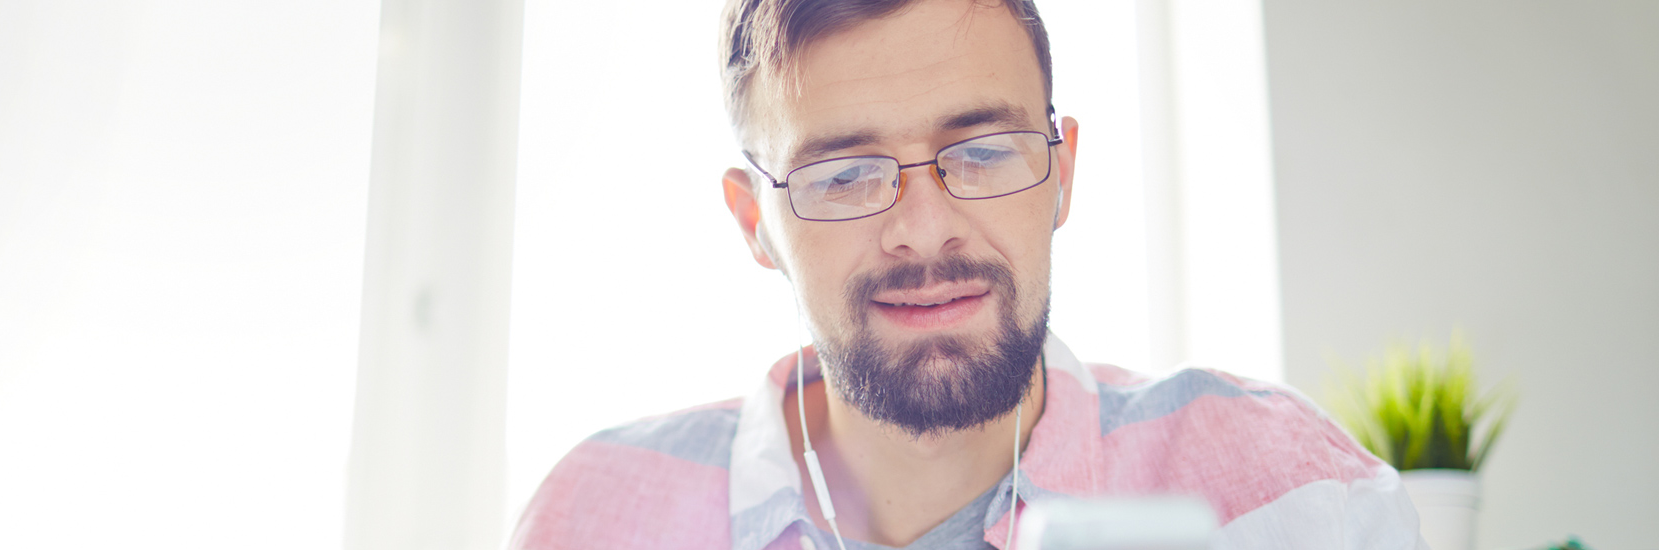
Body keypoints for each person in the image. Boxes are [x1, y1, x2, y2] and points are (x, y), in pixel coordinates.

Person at [511, 0, 1424, 548]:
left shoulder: (1297, 498)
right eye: (844, 176)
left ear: (1062, 175)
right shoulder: (594, 518)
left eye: (983, 153)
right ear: (755, 223)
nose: (922, 231)